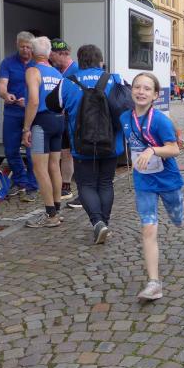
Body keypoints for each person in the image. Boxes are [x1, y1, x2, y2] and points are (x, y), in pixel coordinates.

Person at [120, 73, 184, 301]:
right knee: (148, 228)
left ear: (155, 95)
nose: (141, 92)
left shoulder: (160, 121)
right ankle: (154, 283)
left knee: (179, 221)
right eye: (137, 87)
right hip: (143, 181)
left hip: (167, 179)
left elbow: (174, 149)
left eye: (147, 88)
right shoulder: (125, 118)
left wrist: (152, 150)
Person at [45, 45, 125, 244]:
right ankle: (104, 223)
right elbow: (126, 106)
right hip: (110, 144)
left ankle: (98, 222)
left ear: (80, 61)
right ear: (100, 61)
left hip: (81, 145)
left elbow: (51, 104)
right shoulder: (115, 79)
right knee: (105, 183)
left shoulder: (68, 82)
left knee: (86, 184)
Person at [21, 37, 64, 227]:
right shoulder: (57, 73)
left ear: (32, 52)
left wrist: (26, 128)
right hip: (58, 120)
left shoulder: (33, 71)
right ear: (48, 53)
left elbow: (34, 100)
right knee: (54, 166)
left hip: (41, 122)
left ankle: (50, 215)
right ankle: (57, 209)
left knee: (39, 168)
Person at [0, 31, 38, 201]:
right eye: (22, 47)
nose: (25, 50)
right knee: (10, 150)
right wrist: (6, 95)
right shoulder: (7, 63)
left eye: (28, 47)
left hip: (33, 113)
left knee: (32, 152)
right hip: (12, 112)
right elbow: (1, 86)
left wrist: (28, 102)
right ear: (17, 45)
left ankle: (32, 186)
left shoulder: (38, 64)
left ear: (33, 47)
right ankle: (21, 181)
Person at [49, 38, 78, 202]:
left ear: (62, 54)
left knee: (74, 154)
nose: (50, 59)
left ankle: (78, 187)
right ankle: (65, 186)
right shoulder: (55, 70)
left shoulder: (76, 70)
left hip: (74, 119)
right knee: (65, 153)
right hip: (60, 119)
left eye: (52, 56)